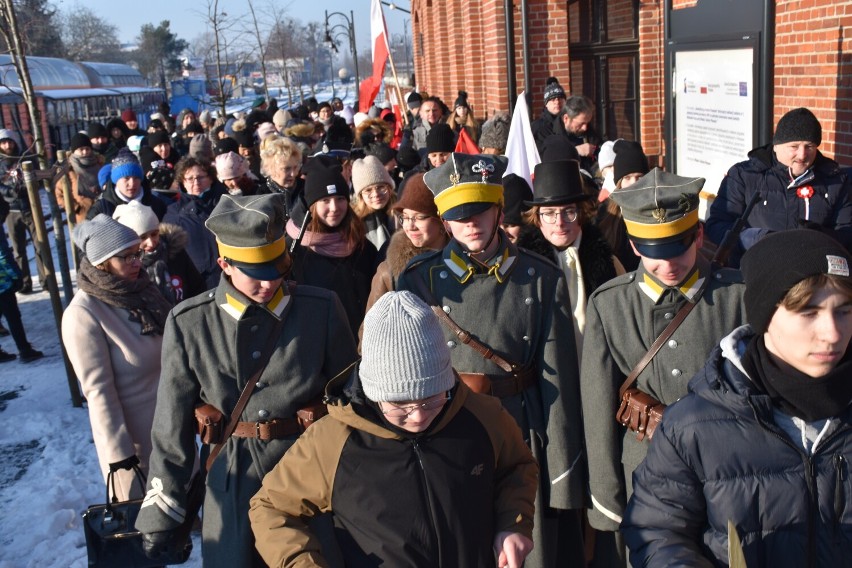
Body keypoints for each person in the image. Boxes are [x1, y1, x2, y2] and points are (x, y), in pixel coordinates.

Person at [135, 194, 357, 568]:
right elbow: (171, 426)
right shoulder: (190, 322)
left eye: (278, 267)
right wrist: (161, 513)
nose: (270, 283)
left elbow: (351, 397)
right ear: (224, 263)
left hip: (309, 474)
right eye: (257, 272)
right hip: (231, 478)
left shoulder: (320, 308)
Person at [250, 291, 538, 567]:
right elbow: (270, 507)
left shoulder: (482, 414)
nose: (417, 416)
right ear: (375, 392)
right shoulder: (332, 439)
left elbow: (518, 467)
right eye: (400, 405)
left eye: (431, 398)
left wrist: (513, 524)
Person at [396, 152, 586, 568]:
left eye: (481, 211)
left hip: (519, 427)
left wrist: (563, 473)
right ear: (444, 221)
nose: (471, 223)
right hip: (448, 430)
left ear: (499, 209)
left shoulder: (540, 277)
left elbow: (560, 382)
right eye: (460, 215)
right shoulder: (417, 279)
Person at [623, 229, 852, 567]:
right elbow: (658, 531)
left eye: (844, 311)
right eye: (808, 313)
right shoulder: (692, 425)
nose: (832, 333)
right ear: (764, 315)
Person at [579, 168, 747, 566]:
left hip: (724, 472)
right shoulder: (609, 304)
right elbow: (598, 404)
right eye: (654, 252)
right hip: (644, 474)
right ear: (635, 246)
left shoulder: (736, 295)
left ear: (699, 236)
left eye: (678, 247)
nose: (668, 263)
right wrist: (607, 501)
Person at [62, 215, 171, 500]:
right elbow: (99, 395)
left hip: (172, 432)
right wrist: (120, 461)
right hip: (138, 449)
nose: (138, 262)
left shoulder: (143, 292)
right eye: (127, 257)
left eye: (138, 254)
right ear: (102, 262)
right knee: (150, 532)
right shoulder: (83, 314)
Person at [705, 107, 852, 267]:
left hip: (811, 277)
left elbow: (846, 233)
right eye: (794, 147)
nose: (802, 155)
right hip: (754, 272)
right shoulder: (743, 175)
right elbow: (717, 225)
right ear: (776, 145)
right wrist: (755, 238)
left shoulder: (836, 180)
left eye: (809, 146)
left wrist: (817, 236)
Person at [518, 160, 624, 360]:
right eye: (549, 213)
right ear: (537, 218)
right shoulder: (521, 266)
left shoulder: (609, 263)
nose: (559, 222)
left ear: (582, 212)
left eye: (568, 212)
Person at [286, 159, 377, 338]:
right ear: (312, 206)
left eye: (340, 199)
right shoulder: (294, 253)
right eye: (325, 200)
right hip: (318, 344)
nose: (334, 208)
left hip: (364, 342)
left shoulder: (361, 246)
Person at [363, 172, 449, 317]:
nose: (410, 226)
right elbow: (369, 331)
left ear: (441, 219)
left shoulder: (469, 260)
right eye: (405, 217)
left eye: (419, 218)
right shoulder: (388, 272)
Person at [113, 201, 205, 305]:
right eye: (142, 237)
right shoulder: (127, 266)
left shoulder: (174, 252)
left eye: (154, 234)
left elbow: (197, 287)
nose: (151, 243)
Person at [163, 156, 227, 289]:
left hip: (227, 274)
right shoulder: (174, 213)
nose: (196, 182)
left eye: (201, 177)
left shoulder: (226, 204)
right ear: (183, 182)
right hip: (197, 281)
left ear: (210, 178)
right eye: (190, 179)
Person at [596, 139, 650, 272]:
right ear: (619, 182)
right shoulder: (605, 214)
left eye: (639, 177)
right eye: (627, 177)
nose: (633, 183)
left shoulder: (657, 211)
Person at [0, 128, 43, 294]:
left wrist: (24, 187)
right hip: (11, 211)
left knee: (40, 246)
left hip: (30, 207)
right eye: (3, 142)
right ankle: (25, 282)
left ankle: (45, 279)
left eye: (9, 141)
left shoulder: (25, 158)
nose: (7, 145)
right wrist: (9, 191)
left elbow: (36, 179)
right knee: (18, 250)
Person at [0, 197, 42, 363]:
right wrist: (17, 275)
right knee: (13, 316)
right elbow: (3, 255)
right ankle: (24, 349)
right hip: (2, 283)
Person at [87, 148, 167, 221]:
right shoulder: (101, 210)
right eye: (126, 178)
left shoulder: (156, 205)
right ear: (116, 180)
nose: (132, 183)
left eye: (136, 178)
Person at [351, 155, 396, 260]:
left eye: (380, 187)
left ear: (389, 188)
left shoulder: (404, 212)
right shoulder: (355, 223)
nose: (376, 194)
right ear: (361, 195)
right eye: (368, 190)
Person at [57, 132, 104, 224]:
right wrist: (76, 208)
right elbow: (59, 195)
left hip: (103, 212)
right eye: (81, 149)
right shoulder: (68, 169)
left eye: (87, 148)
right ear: (74, 151)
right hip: (83, 217)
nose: (85, 152)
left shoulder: (99, 163)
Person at [259, 134, 305, 224]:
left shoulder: (305, 188)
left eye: (295, 167)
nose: (293, 174)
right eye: (286, 169)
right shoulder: (262, 195)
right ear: (270, 168)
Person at [554, 95, 600, 173]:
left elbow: (599, 144)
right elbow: (550, 158)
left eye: (587, 123)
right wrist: (576, 150)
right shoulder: (547, 132)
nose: (585, 128)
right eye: (581, 124)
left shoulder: (588, 130)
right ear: (566, 118)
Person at [531, 77, 567, 149]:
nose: (557, 102)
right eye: (553, 99)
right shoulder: (538, 127)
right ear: (546, 104)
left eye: (560, 98)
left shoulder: (573, 121)